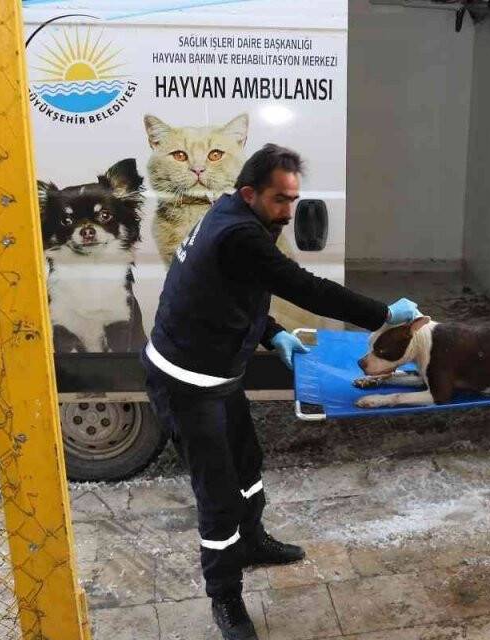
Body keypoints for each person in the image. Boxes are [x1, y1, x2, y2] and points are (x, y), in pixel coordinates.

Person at [141, 143, 419, 640]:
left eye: (294, 200)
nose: (289, 212)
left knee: (248, 465)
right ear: (249, 193)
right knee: (218, 496)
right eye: (279, 200)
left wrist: (271, 333)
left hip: (220, 375)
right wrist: (384, 315)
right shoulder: (239, 234)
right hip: (186, 383)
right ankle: (225, 595)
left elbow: (234, 290)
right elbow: (308, 289)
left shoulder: (231, 215)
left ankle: (251, 542)